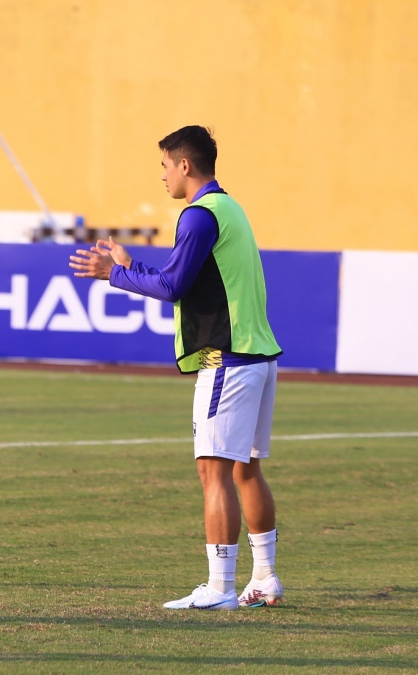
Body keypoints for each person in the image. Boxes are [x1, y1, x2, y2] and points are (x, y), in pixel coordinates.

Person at [69, 125, 283, 610]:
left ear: (185, 165)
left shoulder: (198, 215)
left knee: (214, 472)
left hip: (227, 359)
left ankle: (220, 588)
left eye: (165, 166)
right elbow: (178, 279)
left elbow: (172, 289)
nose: (163, 176)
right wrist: (130, 266)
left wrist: (115, 275)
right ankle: (265, 577)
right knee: (246, 470)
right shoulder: (229, 207)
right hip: (258, 357)